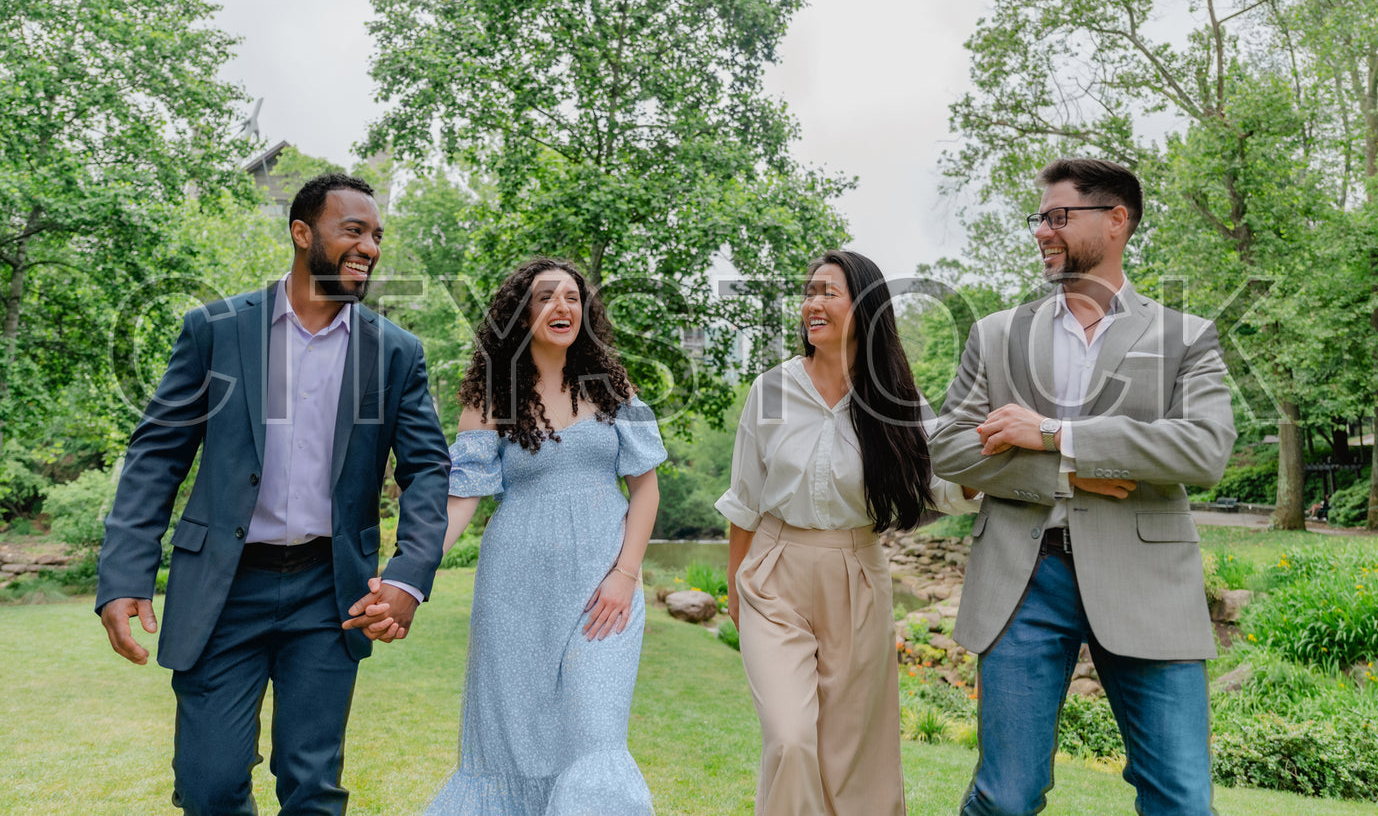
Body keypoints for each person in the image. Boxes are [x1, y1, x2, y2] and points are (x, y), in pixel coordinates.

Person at [96, 173, 451, 814]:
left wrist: (408, 575)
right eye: (353, 230)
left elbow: (427, 470)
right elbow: (157, 454)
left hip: (329, 589)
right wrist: (125, 575)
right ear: (301, 233)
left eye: (376, 235)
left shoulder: (395, 352)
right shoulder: (216, 329)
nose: (369, 246)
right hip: (223, 588)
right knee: (208, 786)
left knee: (312, 785)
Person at [928, 158, 1236, 816]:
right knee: (1006, 798)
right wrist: (1069, 469)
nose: (1042, 230)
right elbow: (950, 447)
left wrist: (1055, 433)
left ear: (1117, 220)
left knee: (1180, 799)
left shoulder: (1186, 337)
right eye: (1039, 218)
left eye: (1058, 217)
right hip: (1022, 576)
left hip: (1147, 579)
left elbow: (1205, 450)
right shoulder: (994, 334)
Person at [364, 257, 665, 814]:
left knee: (596, 735)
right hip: (514, 592)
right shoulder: (492, 395)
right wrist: (411, 568)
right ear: (520, 313)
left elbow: (646, 490)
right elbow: (462, 497)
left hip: (605, 592)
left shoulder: (615, 385)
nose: (562, 307)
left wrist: (625, 576)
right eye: (546, 297)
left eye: (573, 297)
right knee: (513, 746)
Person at [715, 249, 978, 816]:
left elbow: (937, 483)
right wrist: (736, 590)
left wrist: (981, 478)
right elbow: (744, 502)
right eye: (808, 292)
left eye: (827, 292)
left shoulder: (898, 400)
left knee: (852, 752)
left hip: (858, 573)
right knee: (790, 738)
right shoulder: (772, 390)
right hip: (774, 575)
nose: (811, 303)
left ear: (866, 308)